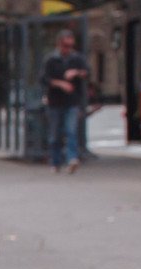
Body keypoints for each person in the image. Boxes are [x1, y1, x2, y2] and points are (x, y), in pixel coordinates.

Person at [42, 29, 88, 173]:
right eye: (65, 46)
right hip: (55, 101)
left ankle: (71, 159)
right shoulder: (51, 59)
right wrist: (60, 83)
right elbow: (43, 79)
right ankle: (55, 162)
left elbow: (87, 72)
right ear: (59, 45)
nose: (68, 49)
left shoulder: (77, 59)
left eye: (70, 46)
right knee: (55, 135)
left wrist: (76, 72)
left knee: (71, 131)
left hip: (72, 101)